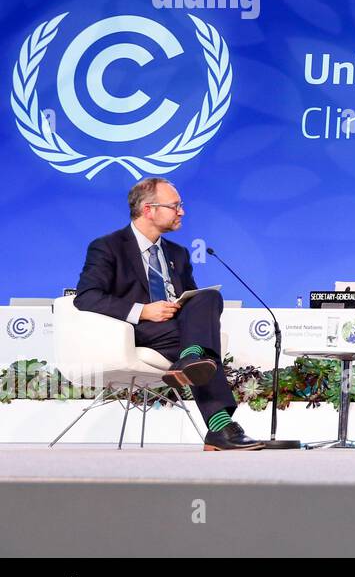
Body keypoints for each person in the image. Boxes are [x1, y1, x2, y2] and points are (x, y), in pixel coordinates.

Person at [74, 177, 261, 450]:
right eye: (175, 206)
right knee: (199, 343)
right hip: (135, 331)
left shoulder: (179, 253)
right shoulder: (108, 247)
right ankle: (219, 425)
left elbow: (194, 306)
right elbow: (87, 296)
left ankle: (190, 359)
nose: (182, 212)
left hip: (176, 331)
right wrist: (143, 311)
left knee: (208, 297)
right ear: (149, 209)